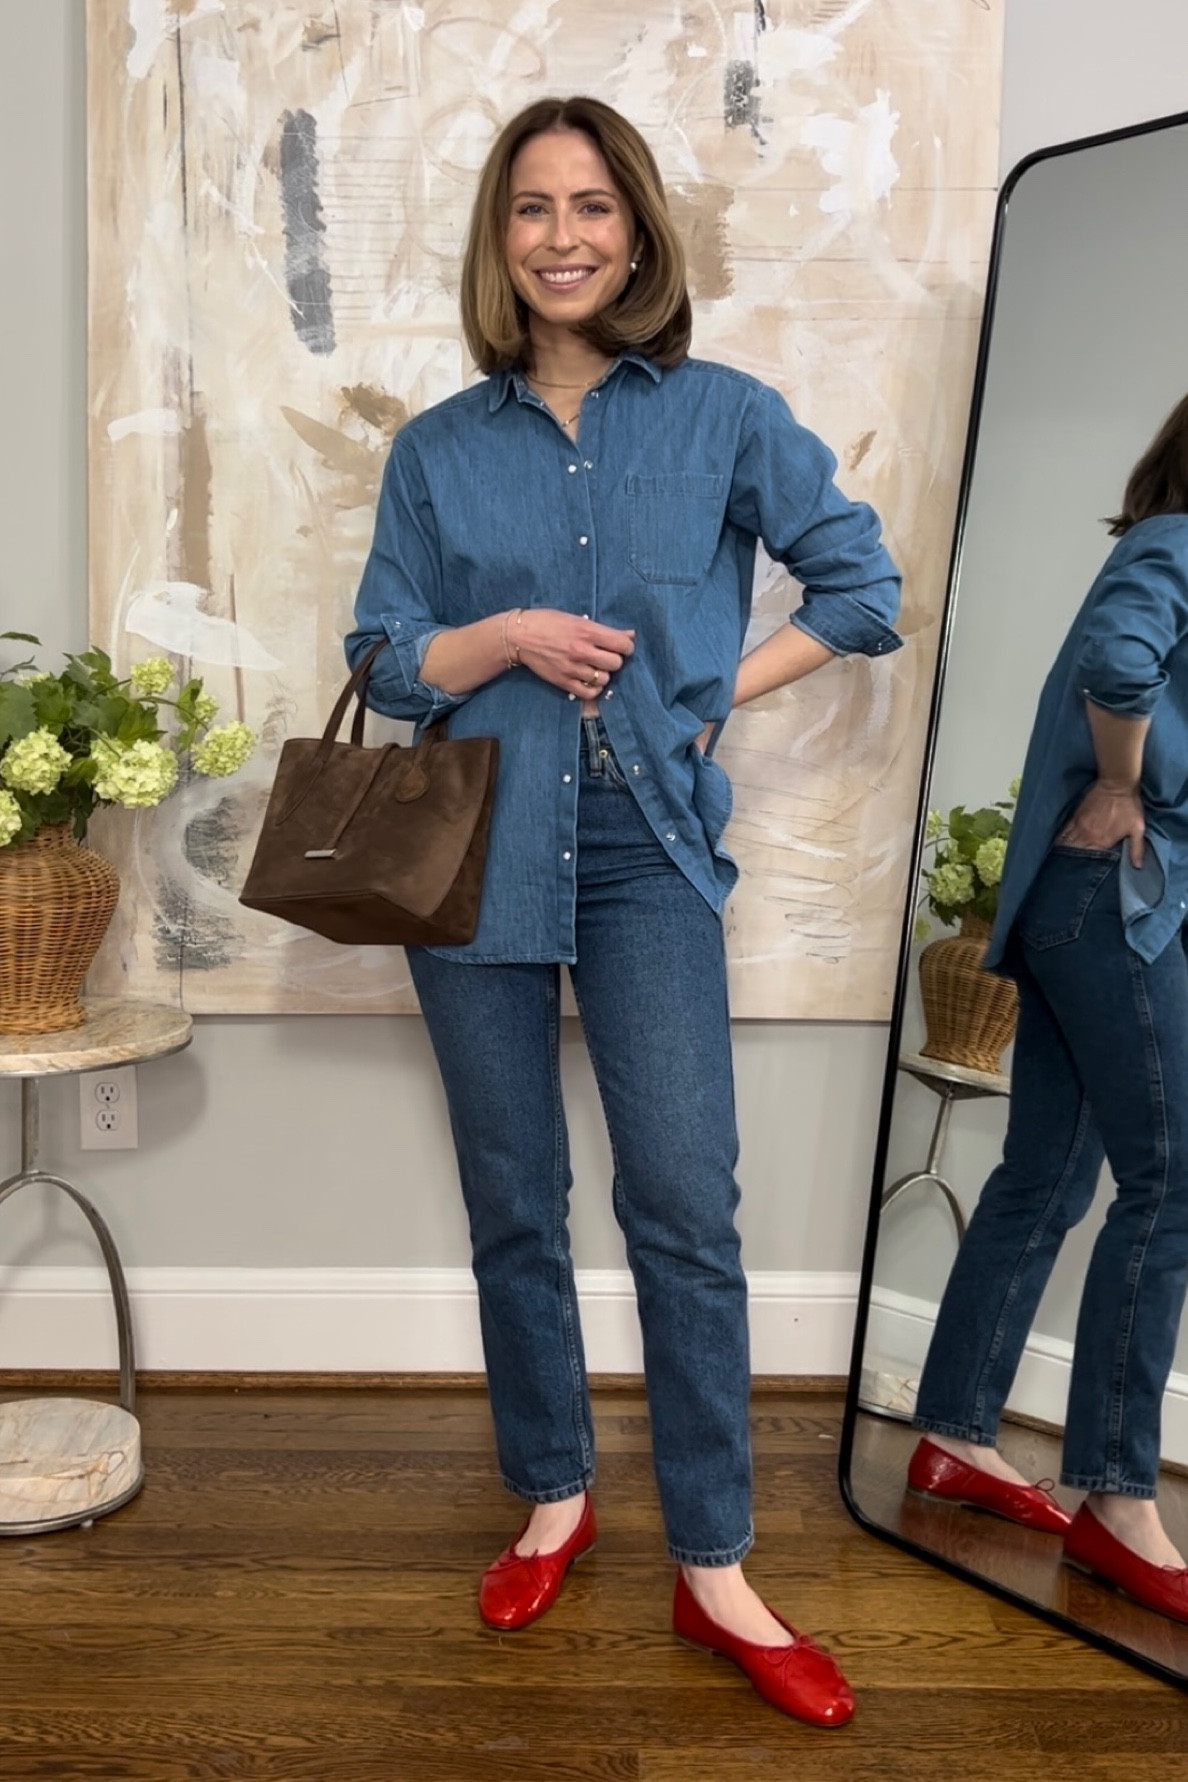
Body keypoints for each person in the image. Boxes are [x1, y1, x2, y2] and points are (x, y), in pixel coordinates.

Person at [347, 95, 902, 1724]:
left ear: (636, 229)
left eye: (592, 203)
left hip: (648, 845)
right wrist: (504, 631)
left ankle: (713, 1557)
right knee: (515, 1197)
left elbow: (859, 587)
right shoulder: (437, 450)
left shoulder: (724, 414)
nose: (563, 233)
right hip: (470, 853)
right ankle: (551, 1492)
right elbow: (383, 660)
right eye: (532, 207)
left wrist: (713, 684)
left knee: (680, 1200)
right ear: (498, 239)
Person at [909, 394, 1188, 1627]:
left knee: (1044, 1176)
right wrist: (1125, 784)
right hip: (1114, 899)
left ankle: (954, 1437)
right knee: (1170, 1181)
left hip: (1082, 901)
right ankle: (1118, 1499)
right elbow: (1118, 663)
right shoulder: (1176, 541)